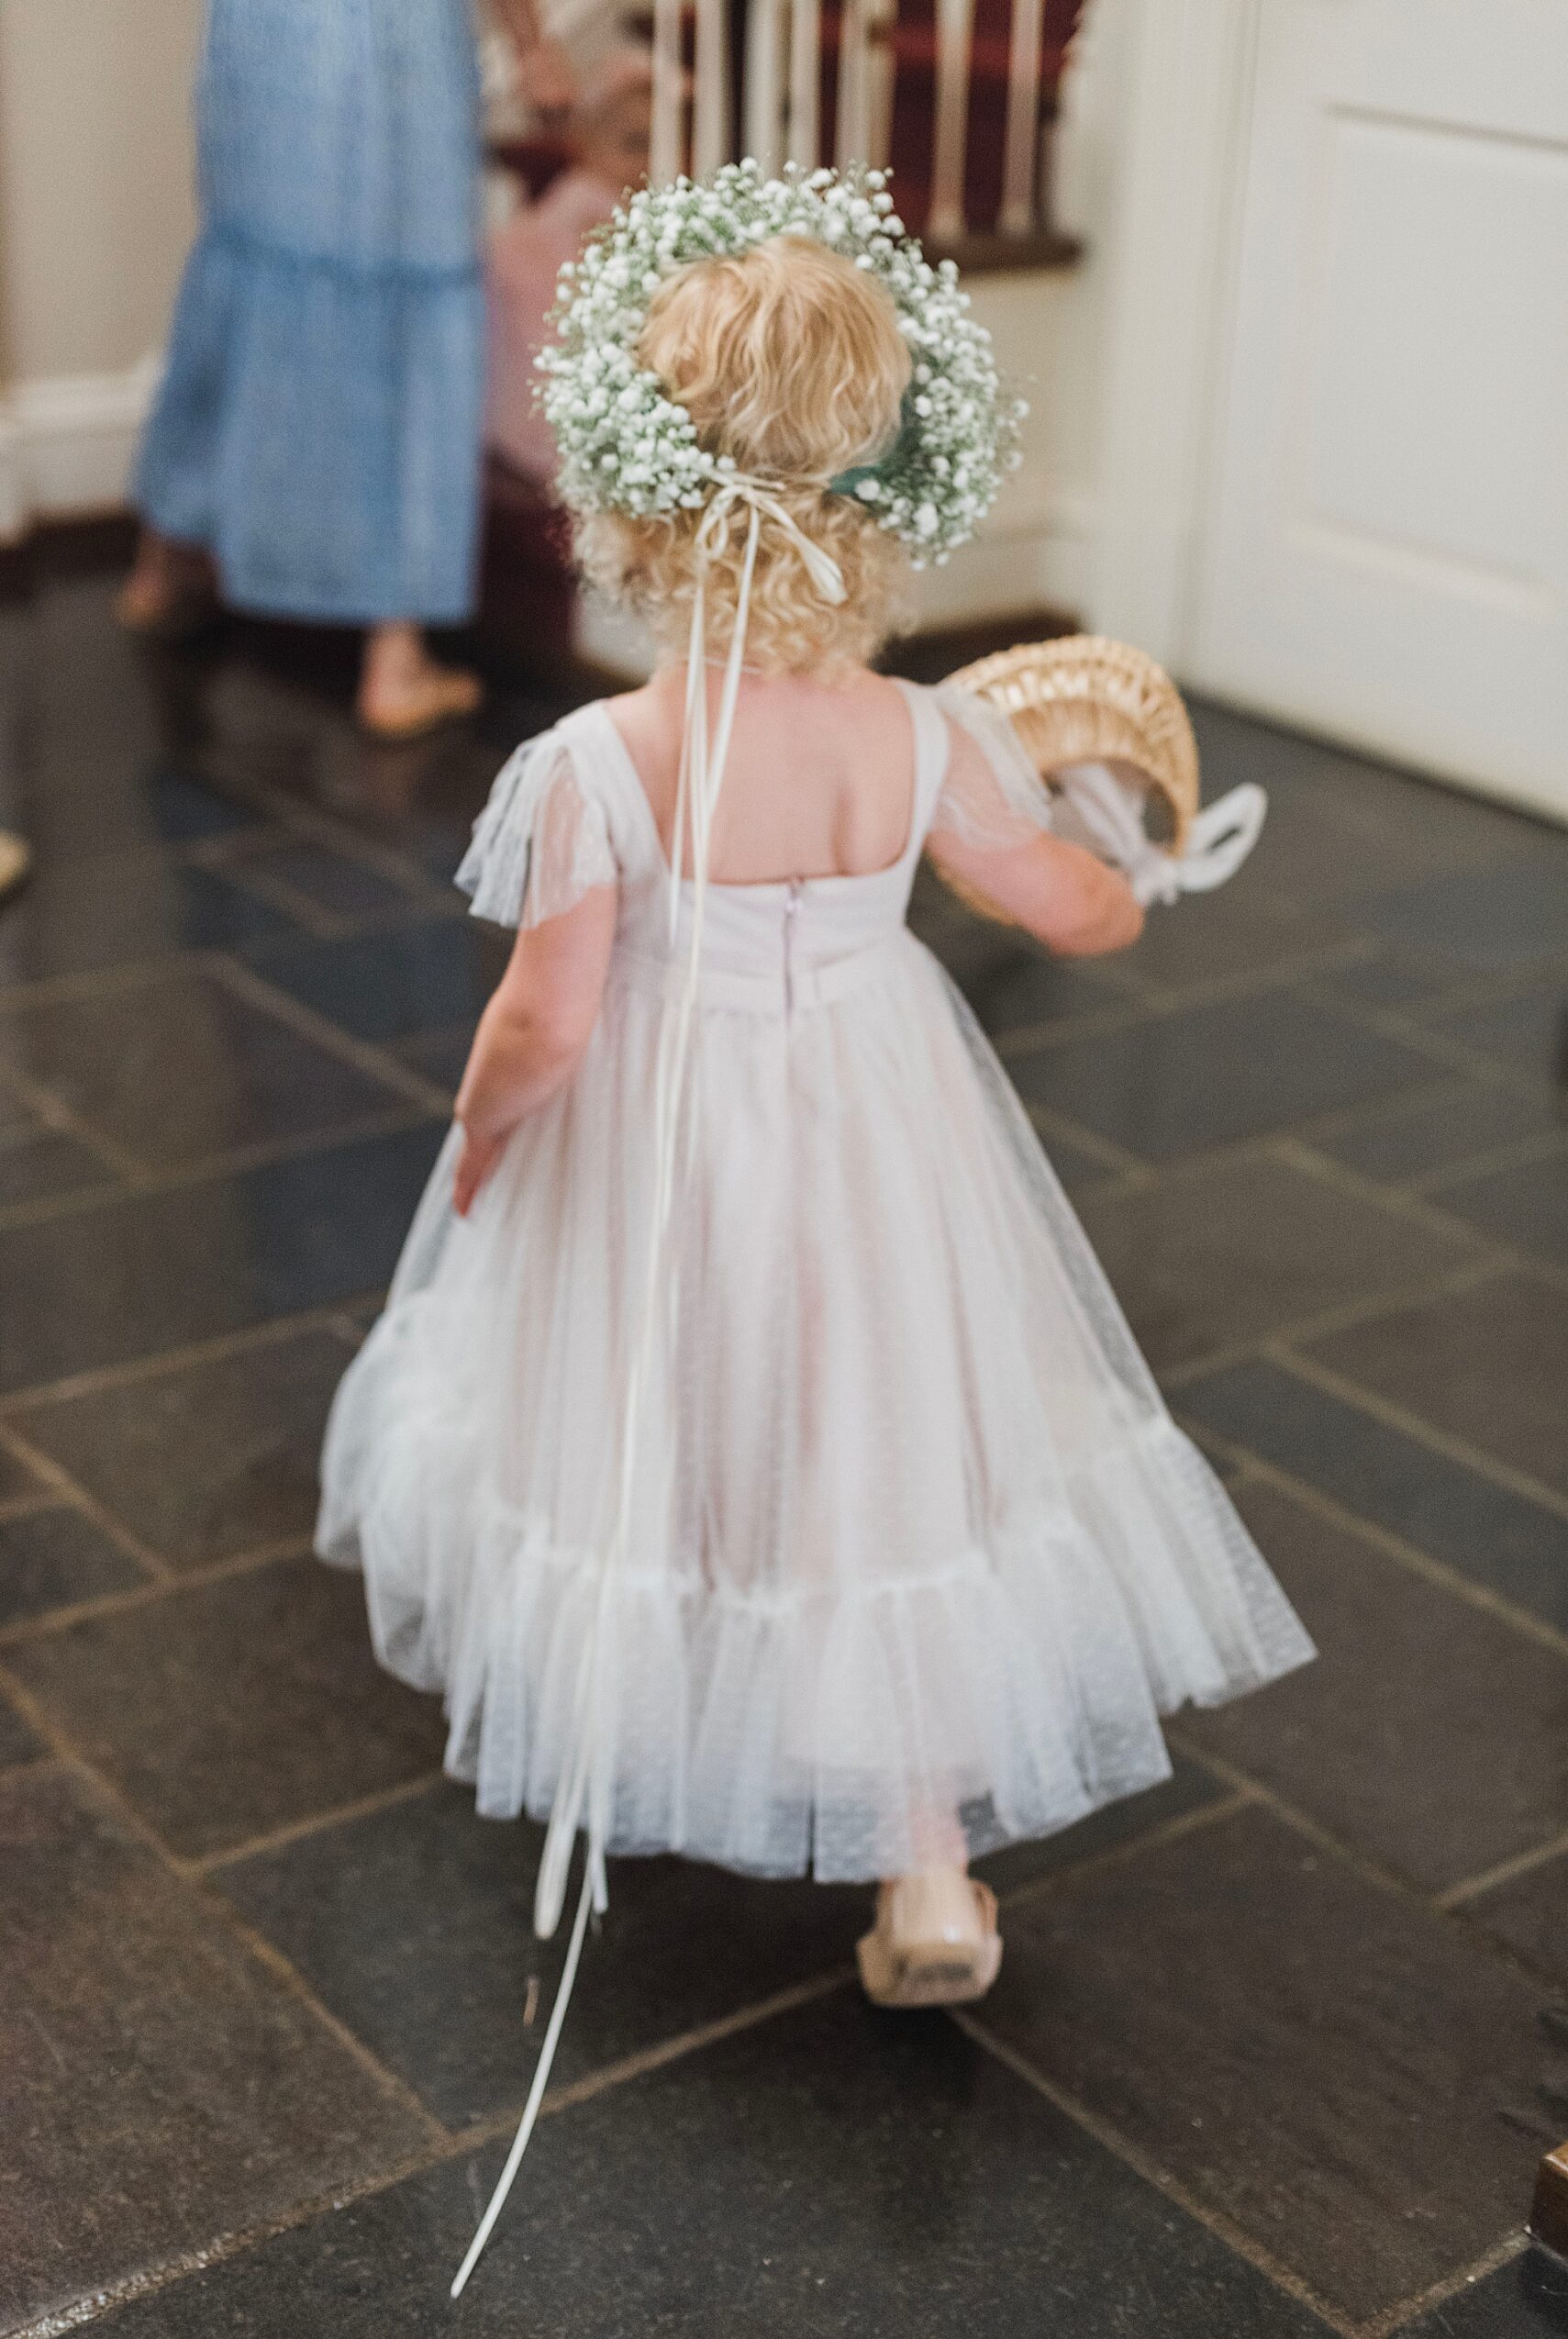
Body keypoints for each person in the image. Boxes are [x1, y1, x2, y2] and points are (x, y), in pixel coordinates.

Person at [317, 171, 1311, 2086]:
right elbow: (1062, 908)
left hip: (664, 1137)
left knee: (664, 1396)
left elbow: (544, 1014)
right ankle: (926, 1867)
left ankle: (628, 1719)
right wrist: (1132, 870)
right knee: (873, 1430)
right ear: (880, 470)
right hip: (875, 1121)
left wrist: (479, 1139)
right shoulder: (924, 735)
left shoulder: (601, 759)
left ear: (629, 480)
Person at [121, 0, 574, 738]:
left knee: (248, 260)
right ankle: (395, 658)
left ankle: (163, 565)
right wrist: (531, 44)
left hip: (264, 29)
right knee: (404, 288)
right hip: (393, 39)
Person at [486, 49, 656, 485]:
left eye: (661, 146)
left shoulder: (632, 212)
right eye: (633, 145)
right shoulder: (588, 217)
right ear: (586, 145)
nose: (646, 164)